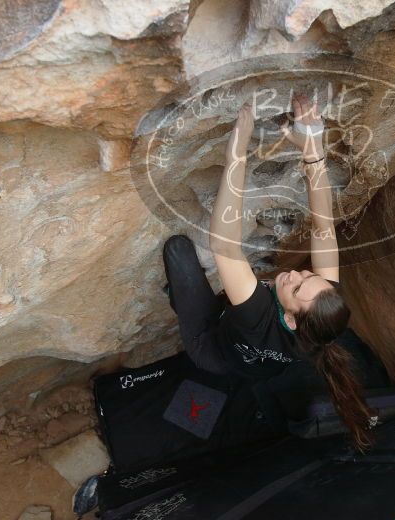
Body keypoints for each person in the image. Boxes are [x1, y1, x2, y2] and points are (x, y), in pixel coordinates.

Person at [162, 93, 377, 451]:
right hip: (257, 360)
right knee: (239, 293)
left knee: (180, 252)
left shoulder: (258, 315)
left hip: (212, 345)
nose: (297, 275)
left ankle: (181, 301)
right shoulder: (317, 309)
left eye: (296, 287)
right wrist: (311, 147)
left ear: (291, 320)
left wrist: (238, 151)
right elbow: (324, 229)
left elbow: (225, 246)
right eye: (309, 276)